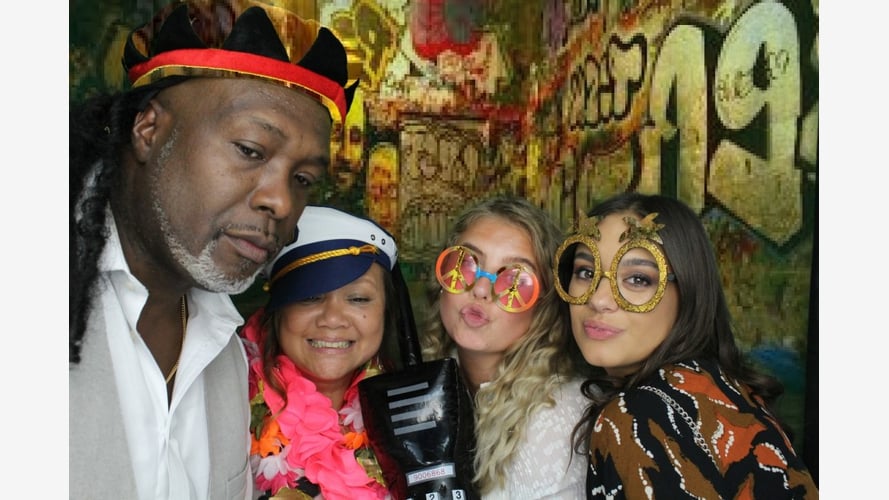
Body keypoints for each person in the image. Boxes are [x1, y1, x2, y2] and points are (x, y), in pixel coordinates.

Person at [69, 2, 358, 499]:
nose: (281, 201)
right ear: (149, 130)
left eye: (303, 179)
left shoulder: (225, 350)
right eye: (250, 150)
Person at [553, 192, 819, 498]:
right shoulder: (725, 390)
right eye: (586, 272)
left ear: (688, 291)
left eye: (638, 279)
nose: (599, 299)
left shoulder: (639, 416)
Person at [421, 195, 593, 498]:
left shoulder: (560, 416)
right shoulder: (426, 381)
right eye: (466, 263)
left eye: (515, 281)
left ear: (545, 307)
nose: (481, 289)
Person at [241, 206, 402, 499]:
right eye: (310, 296)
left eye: (358, 298)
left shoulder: (414, 416)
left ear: (385, 312)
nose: (332, 318)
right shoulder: (228, 402)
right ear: (278, 311)